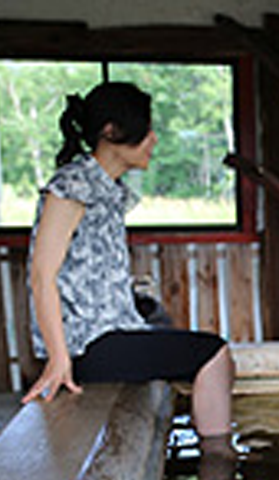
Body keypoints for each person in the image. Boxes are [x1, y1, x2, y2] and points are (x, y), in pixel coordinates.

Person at [22, 82, 233, 438]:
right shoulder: (72, 184)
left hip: (109, 330)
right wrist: (59, 359)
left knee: (157, 314)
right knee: (214, 353)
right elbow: (42, 276)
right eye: (146, 130)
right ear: (112, 131)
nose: (153, 139)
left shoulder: (107, 188)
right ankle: (219, 466)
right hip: (88, 346)